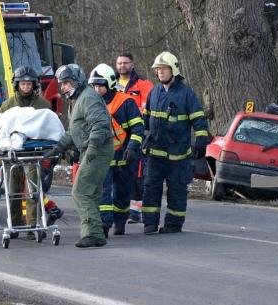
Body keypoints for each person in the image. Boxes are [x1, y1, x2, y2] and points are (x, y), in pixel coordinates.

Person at [44, 64, 114, 248]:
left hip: (96, 150)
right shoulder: (78, 100)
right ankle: (95, 233)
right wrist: (56, 150)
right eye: (62, 84)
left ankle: (93, 234)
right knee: (90, 193)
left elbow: (100, 125)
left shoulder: (88, 98)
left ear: (77, 81)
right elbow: (72, 132)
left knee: (80, 191)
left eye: (66, 83)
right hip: (91, 150)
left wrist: (91, 150)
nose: (63, 87)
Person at [142, 51, 210, 234]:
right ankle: (149, 223)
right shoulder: (153, 93)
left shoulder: (187, 94)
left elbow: (199, 120)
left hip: (178, 155)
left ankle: (173, 224)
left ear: (174, 70)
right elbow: (145, 120)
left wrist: (201, 141)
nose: (160, 72)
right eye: (158, 69)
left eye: (164, 68)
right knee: (150, 188)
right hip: (155, 154)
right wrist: (141, 140)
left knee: (177, 191)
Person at [0, 66, 65, 240]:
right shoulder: (8, 105)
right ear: (16, 84)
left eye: (29, 83)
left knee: (33, 190)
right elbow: (0, 128)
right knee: (13, 190)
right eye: (23, 83)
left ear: (34, 85)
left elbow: (50, 128)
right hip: (13, 156)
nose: (26, 87)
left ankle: (32, 225)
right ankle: (15, 225)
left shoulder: (43, 105)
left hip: (34, 154)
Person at [88, 63, 144, 237]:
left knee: (122, 192)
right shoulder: (91, 103)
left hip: (124, 156)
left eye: (100, 85)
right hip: (103, 157)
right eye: (94, 86)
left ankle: (120, 222)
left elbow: (138, 128)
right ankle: (104, 224)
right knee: (103, 192)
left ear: (110, 83)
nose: (97, 89)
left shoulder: (126, 102)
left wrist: (133, 147)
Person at [114, 52, 154, 224]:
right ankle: (120, 208)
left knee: (137, 173)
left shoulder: (143, 85)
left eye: (125, 62)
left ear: (132, 64)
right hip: (115, 135)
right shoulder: (111, 83)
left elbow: (147, 108)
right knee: (116, 173)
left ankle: (135, 210)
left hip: (136, 133)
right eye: (119, 63)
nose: (122, 66)